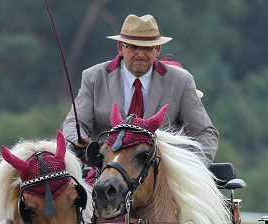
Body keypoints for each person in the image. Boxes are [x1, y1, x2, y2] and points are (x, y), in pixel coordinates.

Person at [62, 14, 218, 167]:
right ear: (120, 48)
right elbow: (75, 122)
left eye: (147, 48)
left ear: (157, 50)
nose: (141, 54)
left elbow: (205, 133)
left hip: (162, 176)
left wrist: (192, 170)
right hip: (106, 170)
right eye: (134, 47)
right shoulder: (94, 77)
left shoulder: (180, 82)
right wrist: (78, 138)